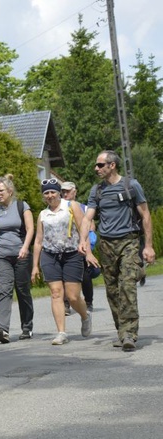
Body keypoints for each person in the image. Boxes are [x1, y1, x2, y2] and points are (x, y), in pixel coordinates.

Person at [80, 150, 156, 351]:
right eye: (96, 165)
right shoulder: (96, 191)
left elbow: (145, 214)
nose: (96, 168)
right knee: (113, 290)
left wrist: (148, 246)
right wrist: (83, 242)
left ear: (112, 165)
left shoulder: (131, 185)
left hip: (129, 242)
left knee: (127, 286)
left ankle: (130, 333)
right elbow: (87, 218)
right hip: (106, 246)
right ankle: (122, 331)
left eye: (100, 165)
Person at [31, 178, 94, 345]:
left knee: (73, 297)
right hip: (50, 256)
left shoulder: (71, 206)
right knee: (56, 293)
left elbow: (83, 229)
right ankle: (61, 332)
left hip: (72, 254)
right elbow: (38, 241)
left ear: (59, 192)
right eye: (46, 193)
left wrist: (88, 252)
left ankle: (85, 316)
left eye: (52, 192)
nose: (50, 195)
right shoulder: (43, 215)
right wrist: (34, 266)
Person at [0, 175, 35, 343]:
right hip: (1, 256)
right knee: (4, 290)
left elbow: (30, 229)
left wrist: (24, 248)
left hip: (20, 254)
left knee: (22, 290)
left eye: (0, 191)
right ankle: (2, 329)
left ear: (9, 191)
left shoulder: (22, 206)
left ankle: (27, 327)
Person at [61, 181, 95, 313]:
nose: (65, 194)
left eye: (67, 191)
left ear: (74, 192)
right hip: (64, 247)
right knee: (63, 277)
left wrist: (87, 246)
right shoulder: (57, 208)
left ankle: (88, 301)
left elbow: (91, 227)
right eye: (63, 191)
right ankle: (66, 304)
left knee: (85, 275)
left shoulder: (84, 208)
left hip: (80, 247)